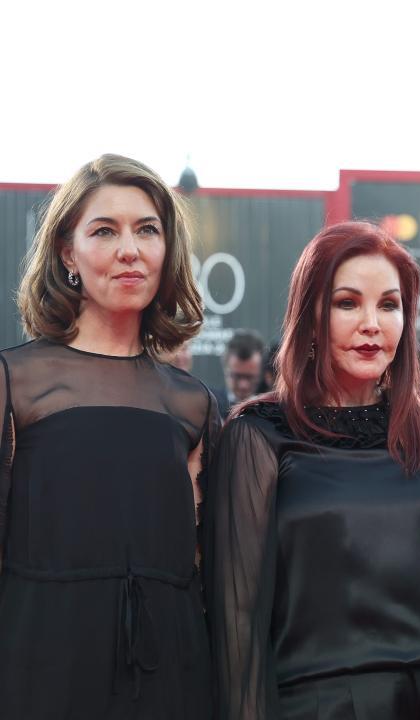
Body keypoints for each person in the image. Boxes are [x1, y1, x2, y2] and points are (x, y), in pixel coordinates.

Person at [203, 221, 420, 720]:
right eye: (348, 303)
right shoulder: (260, 434)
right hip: (320, 703)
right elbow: (237, 619)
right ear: (311, 317)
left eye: (389, 305)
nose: (372, 323)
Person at [0, 154, 219, 718]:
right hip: (40, 667)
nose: (131, 249)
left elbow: (203, 569)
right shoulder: (16, 382)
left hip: (170, 672)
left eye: (148, 229)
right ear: (67, 252)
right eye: (105, 230)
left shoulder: (191, 403)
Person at [212, 328, 265, 418]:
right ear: (225, 369)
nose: (243, 385)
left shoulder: (274, 409)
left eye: (250, 377)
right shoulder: (210, 407)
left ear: (261, 371)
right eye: (237, 376)